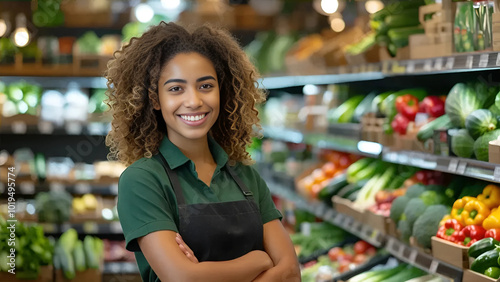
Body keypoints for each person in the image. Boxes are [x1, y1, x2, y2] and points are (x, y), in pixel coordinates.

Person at [105, 21, 300, 282]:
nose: (194, 101)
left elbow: (290, 273)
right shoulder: (142, 180)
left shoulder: (244, 176)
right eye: (176, 89)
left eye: (206, 86)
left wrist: (204, 273)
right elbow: (183, 278)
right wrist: (259, 260)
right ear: (154, 99)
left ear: (224, 91)